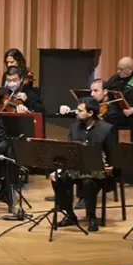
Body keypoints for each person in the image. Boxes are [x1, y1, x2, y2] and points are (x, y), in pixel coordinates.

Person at [50, 97, 115, 231]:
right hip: (77, 168)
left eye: (80, 110)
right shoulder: (74, 127)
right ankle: (70, 215)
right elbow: (68, 152)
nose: (76, 113)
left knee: (87, 182)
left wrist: (111, 166)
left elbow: (113, 153)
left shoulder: (107, 129)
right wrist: (60, 169)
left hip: (99, 171)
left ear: (91, 113)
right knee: (57, 178)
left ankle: (91, 217)